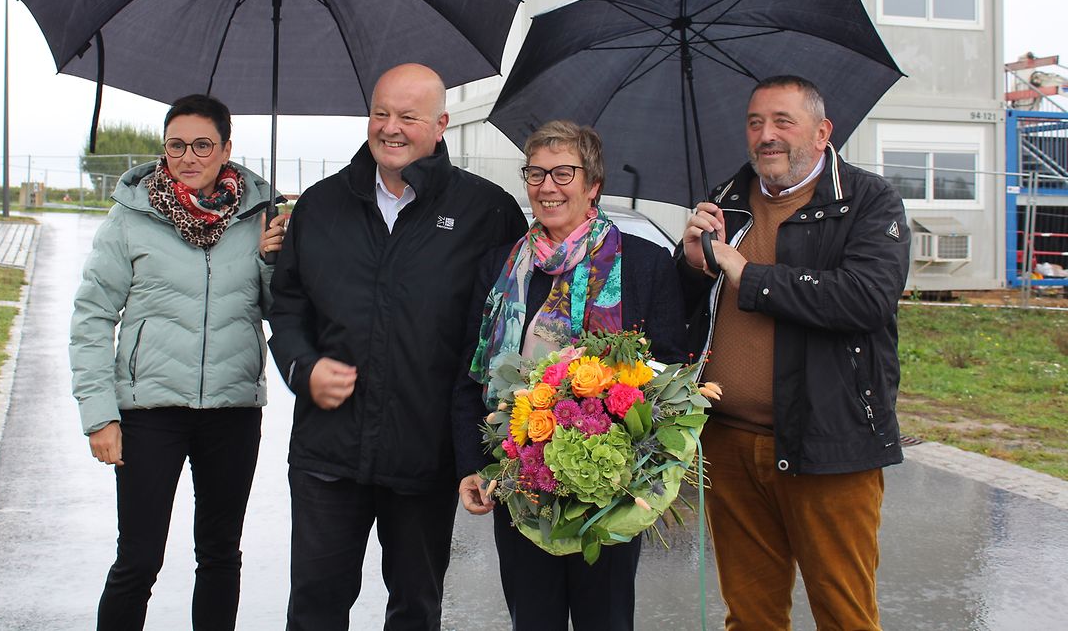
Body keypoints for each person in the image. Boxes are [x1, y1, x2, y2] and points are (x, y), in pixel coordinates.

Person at [268, 62, 527, 631]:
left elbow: (512, 324)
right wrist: (302, 367)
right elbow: (286, 306)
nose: (391, 127)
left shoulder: (487, 212)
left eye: (408, 117)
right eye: (380, 113)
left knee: (415, 610)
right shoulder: (320, 205)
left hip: (424, 455)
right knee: (314, 608)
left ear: (441, 124)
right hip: (327, 452)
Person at [678, 76, 911, 631]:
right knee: (750, 617)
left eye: (783, 121)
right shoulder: (727, 201)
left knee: (845, 615)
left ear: (822, 131)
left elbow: (866, 298)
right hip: (730, 442)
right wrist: (689, 267)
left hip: (828, 443)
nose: (767, 135)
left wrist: (749, 275)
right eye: (755, 123)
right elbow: (690, 312)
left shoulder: (867, 200)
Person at [453, 120, 690, 631]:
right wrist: (472, 465)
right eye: (535, 173)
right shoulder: (501, 267)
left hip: (610, 493)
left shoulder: (644, 265)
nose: (547, 187)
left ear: (593, 185)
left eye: (563, 173)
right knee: (532, 619)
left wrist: (636, 464)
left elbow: (669, 371)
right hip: (519, 483)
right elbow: (472, 375)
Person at [69, 93, 288, 630]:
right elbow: (92, 316)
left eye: (202, 145)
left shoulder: (262, 217)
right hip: (149, 412)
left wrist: (271, 261)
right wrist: (99, 415)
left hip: (233, 409)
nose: (188, 157)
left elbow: (279, 311)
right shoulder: (131, 217)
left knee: (220, 554)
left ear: (227, 148)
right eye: (176, 145)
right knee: (138, 560)